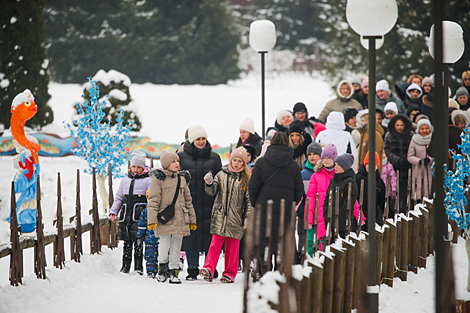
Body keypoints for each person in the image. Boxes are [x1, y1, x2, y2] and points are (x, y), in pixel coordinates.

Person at [249, 132, 303, 273]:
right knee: (282, 239)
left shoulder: (261, 162)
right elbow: (299, 190)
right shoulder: (293, 165)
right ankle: (280, 271)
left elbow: (253, 187)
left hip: (264, 207)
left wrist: (256, 204)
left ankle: (264, 270)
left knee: (264, 239)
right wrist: (292, 205)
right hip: (285, 208)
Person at [199, 147, 253, 283]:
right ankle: (208, 268)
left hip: (237, 218)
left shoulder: (246, 179)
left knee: (232, 248)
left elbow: (249, 201)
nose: (236, 163)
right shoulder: (221, 174)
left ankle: (229, 273)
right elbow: (212, 191)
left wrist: (247, 217)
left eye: (240, 161)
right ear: (230, 160)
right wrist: (209, 183)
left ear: (244, 163)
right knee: (215, 244)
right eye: (234, 160)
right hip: (220, 216)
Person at [178, 124, 222, 280]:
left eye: (204, 138)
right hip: (189, 203)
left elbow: (220, 180)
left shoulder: (214, 157)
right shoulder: (181, 157)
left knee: (210, 237)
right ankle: (192, 269)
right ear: (191, 140)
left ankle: (210, 267)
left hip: (210, 203)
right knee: (191, 236)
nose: (201, 141)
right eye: (198, 139)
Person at [147, 150, 196, 284]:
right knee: (164, 245)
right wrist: (151, 220)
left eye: (177, 161)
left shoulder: (182, 178)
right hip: (165, 219)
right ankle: (162, 269)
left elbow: (188, 200)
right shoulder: (158, 180)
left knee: (176, 246)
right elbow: (153, 200)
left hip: (180, 218)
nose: (176, 164)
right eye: (173, 161)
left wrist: (192, 219)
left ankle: (173, 272)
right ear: (166, 164)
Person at [109, 150, 151, 274]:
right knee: (127, 243)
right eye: (133, 166)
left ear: (143, 167)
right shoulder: (124, 181)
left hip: (140, 217)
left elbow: (151, 198)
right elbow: (119, 198)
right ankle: (125, 266)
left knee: (138, 242)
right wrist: (114, 211)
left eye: (139, 167)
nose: (136, 169)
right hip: (126, 217)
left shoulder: (148, 181)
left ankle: (138, 267)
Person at [306, 144, 337, 255]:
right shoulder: (316, 175)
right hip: (319, 216)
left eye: (329, 158)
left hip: (334, 214)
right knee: (318, 244)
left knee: (334, 244)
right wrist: (309, 218)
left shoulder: (338, 175)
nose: (326, 160)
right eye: (324, 158)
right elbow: (311, 197)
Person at [322, 153, 358, 241]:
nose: (336, 167)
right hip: (330, 222)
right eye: (335, 164)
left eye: (338, 165)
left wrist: (336, 218)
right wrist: (326, 214)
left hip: (342, 225)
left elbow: (348, 204)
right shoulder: (333, 180)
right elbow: (327, 198)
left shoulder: (350, 182)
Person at [384, 114, 413, 213]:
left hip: (407, 168)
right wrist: (396, 160)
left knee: (405, 191)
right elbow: (387, 150)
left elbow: (412, 149)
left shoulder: (411, 135)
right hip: (393, 168)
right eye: (397, 125)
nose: (399, 127)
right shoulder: (389, 135)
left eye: (401, 125)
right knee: (393, 192)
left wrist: (406, 159)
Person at [355, 151, 386, 231]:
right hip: (358, 215)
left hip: (372, 216)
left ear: (377, 166)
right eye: (369, 164)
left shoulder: (379, 182)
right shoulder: (357, 178)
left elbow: (382, 200)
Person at [407, 119, 434, 203]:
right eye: (422, 129)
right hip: (418, 170)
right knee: (418, 190)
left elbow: (437, 153)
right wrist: (419, 161)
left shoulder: (433, 139)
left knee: (430, 190)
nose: (424, 131)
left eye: (426, 128)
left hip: (430, 169)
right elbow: (410, 156)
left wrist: (430, 159)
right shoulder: (414, 140)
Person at [136, 192, 159, 278]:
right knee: (150, 256)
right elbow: (142, 226)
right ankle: (151, 271)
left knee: (163, 255)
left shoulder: (161, 209)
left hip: (160, 238)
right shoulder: (145, 211)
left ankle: (163, 270)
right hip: (149, 238)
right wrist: (140, 237)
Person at [381, 150, 397, 218]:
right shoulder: (377, 166)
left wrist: (393, 189)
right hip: (381, 191)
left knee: (389, 206)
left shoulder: (389, 166)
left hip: (388, 191)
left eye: (384, 154)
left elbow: (393, 178)